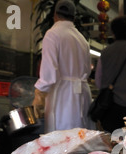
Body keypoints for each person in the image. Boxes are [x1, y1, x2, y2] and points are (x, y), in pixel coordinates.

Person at [32, 0, 94, 133]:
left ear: (55, 15)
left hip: (63, 96)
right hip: (82, 95)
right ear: (74, 17)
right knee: (80, 139)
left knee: (61, 141)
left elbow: (49, 73)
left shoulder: (52, 34)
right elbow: (88, 70)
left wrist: (39, 94)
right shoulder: (82, 39)